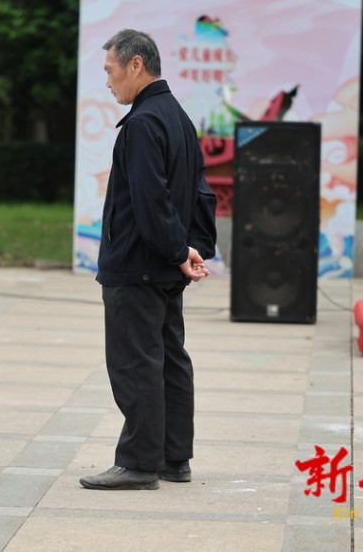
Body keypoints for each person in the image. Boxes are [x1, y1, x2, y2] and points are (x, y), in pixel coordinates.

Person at [79, 29, 218, 491]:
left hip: (137, 266)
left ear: (135, 65)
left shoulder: (142, 123)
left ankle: (139, 463)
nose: (108, 82)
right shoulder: (178, 117)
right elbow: (202, 193)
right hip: (164, 266)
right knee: (170, 360)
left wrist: (180, 252)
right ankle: (173, 459)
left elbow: (150, 200)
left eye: (110, 71)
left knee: (136, 363)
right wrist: (193, 248)